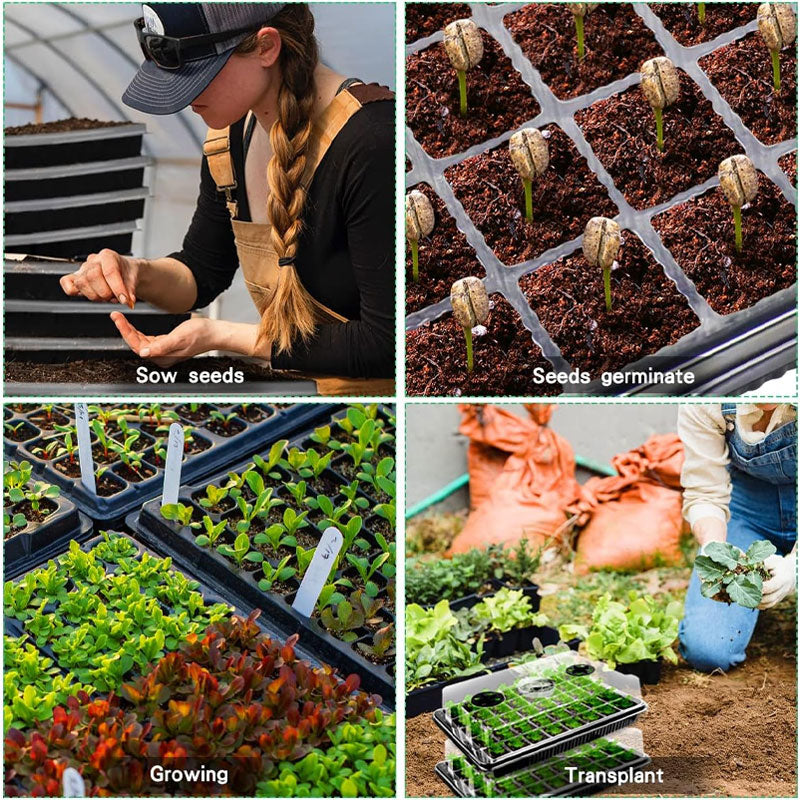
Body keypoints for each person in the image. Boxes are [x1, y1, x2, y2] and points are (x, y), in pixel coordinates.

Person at [59, 3, 394, 395]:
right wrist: (137, 272)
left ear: (267, 47)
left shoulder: (372, 141)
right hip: (296, 393)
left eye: (201, 74)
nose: (185, 99)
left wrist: (221, 335)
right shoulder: (230, 137)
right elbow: (201, 272)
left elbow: (386, 344)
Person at [678, 403, 797, 672]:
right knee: (708, 651)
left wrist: (794, 568)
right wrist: (713, 547)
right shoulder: (707, 397)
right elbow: (705, 493)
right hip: (748, 506)